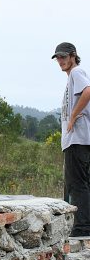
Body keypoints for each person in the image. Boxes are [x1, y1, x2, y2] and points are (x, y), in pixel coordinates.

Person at [53, 42, 90, 238]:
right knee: (76, 182)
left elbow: (88, 91)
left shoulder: (77, 72)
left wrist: (74, 115)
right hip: (75, 139)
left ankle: (82, 227)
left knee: (77, 183)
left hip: (78, 138)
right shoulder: (71, 77)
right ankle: (81, 224)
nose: (60, 61)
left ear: (73, 56)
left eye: (63, 57)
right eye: (58, 58)